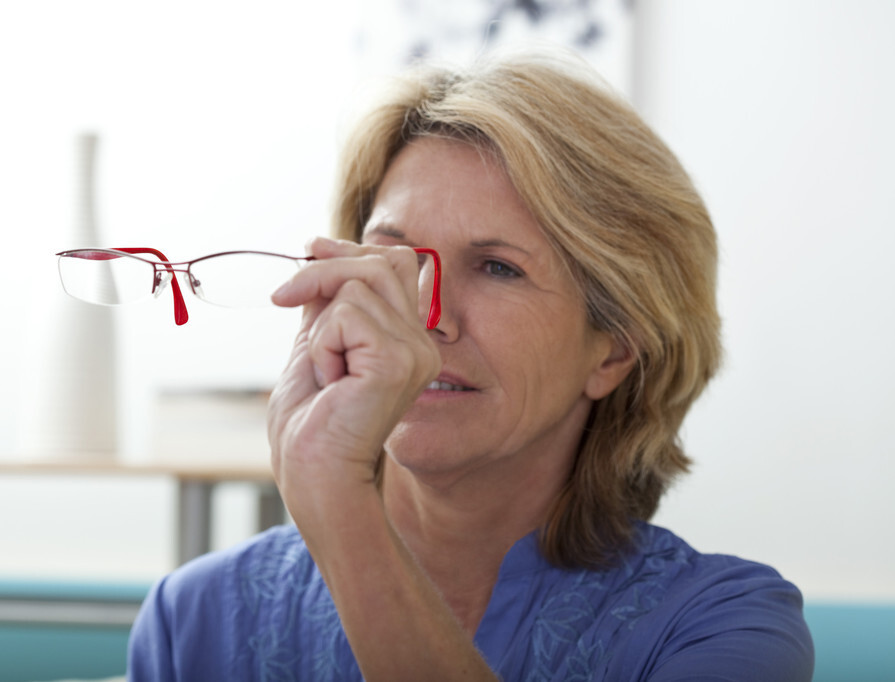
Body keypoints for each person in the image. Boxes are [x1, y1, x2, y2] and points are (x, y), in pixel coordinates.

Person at [128, 47, 814, 681]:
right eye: (393, 259)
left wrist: (338, 502)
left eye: (495, 268)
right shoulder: (197, 617)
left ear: (614, 348)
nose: (426, 317)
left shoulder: (722, 628)